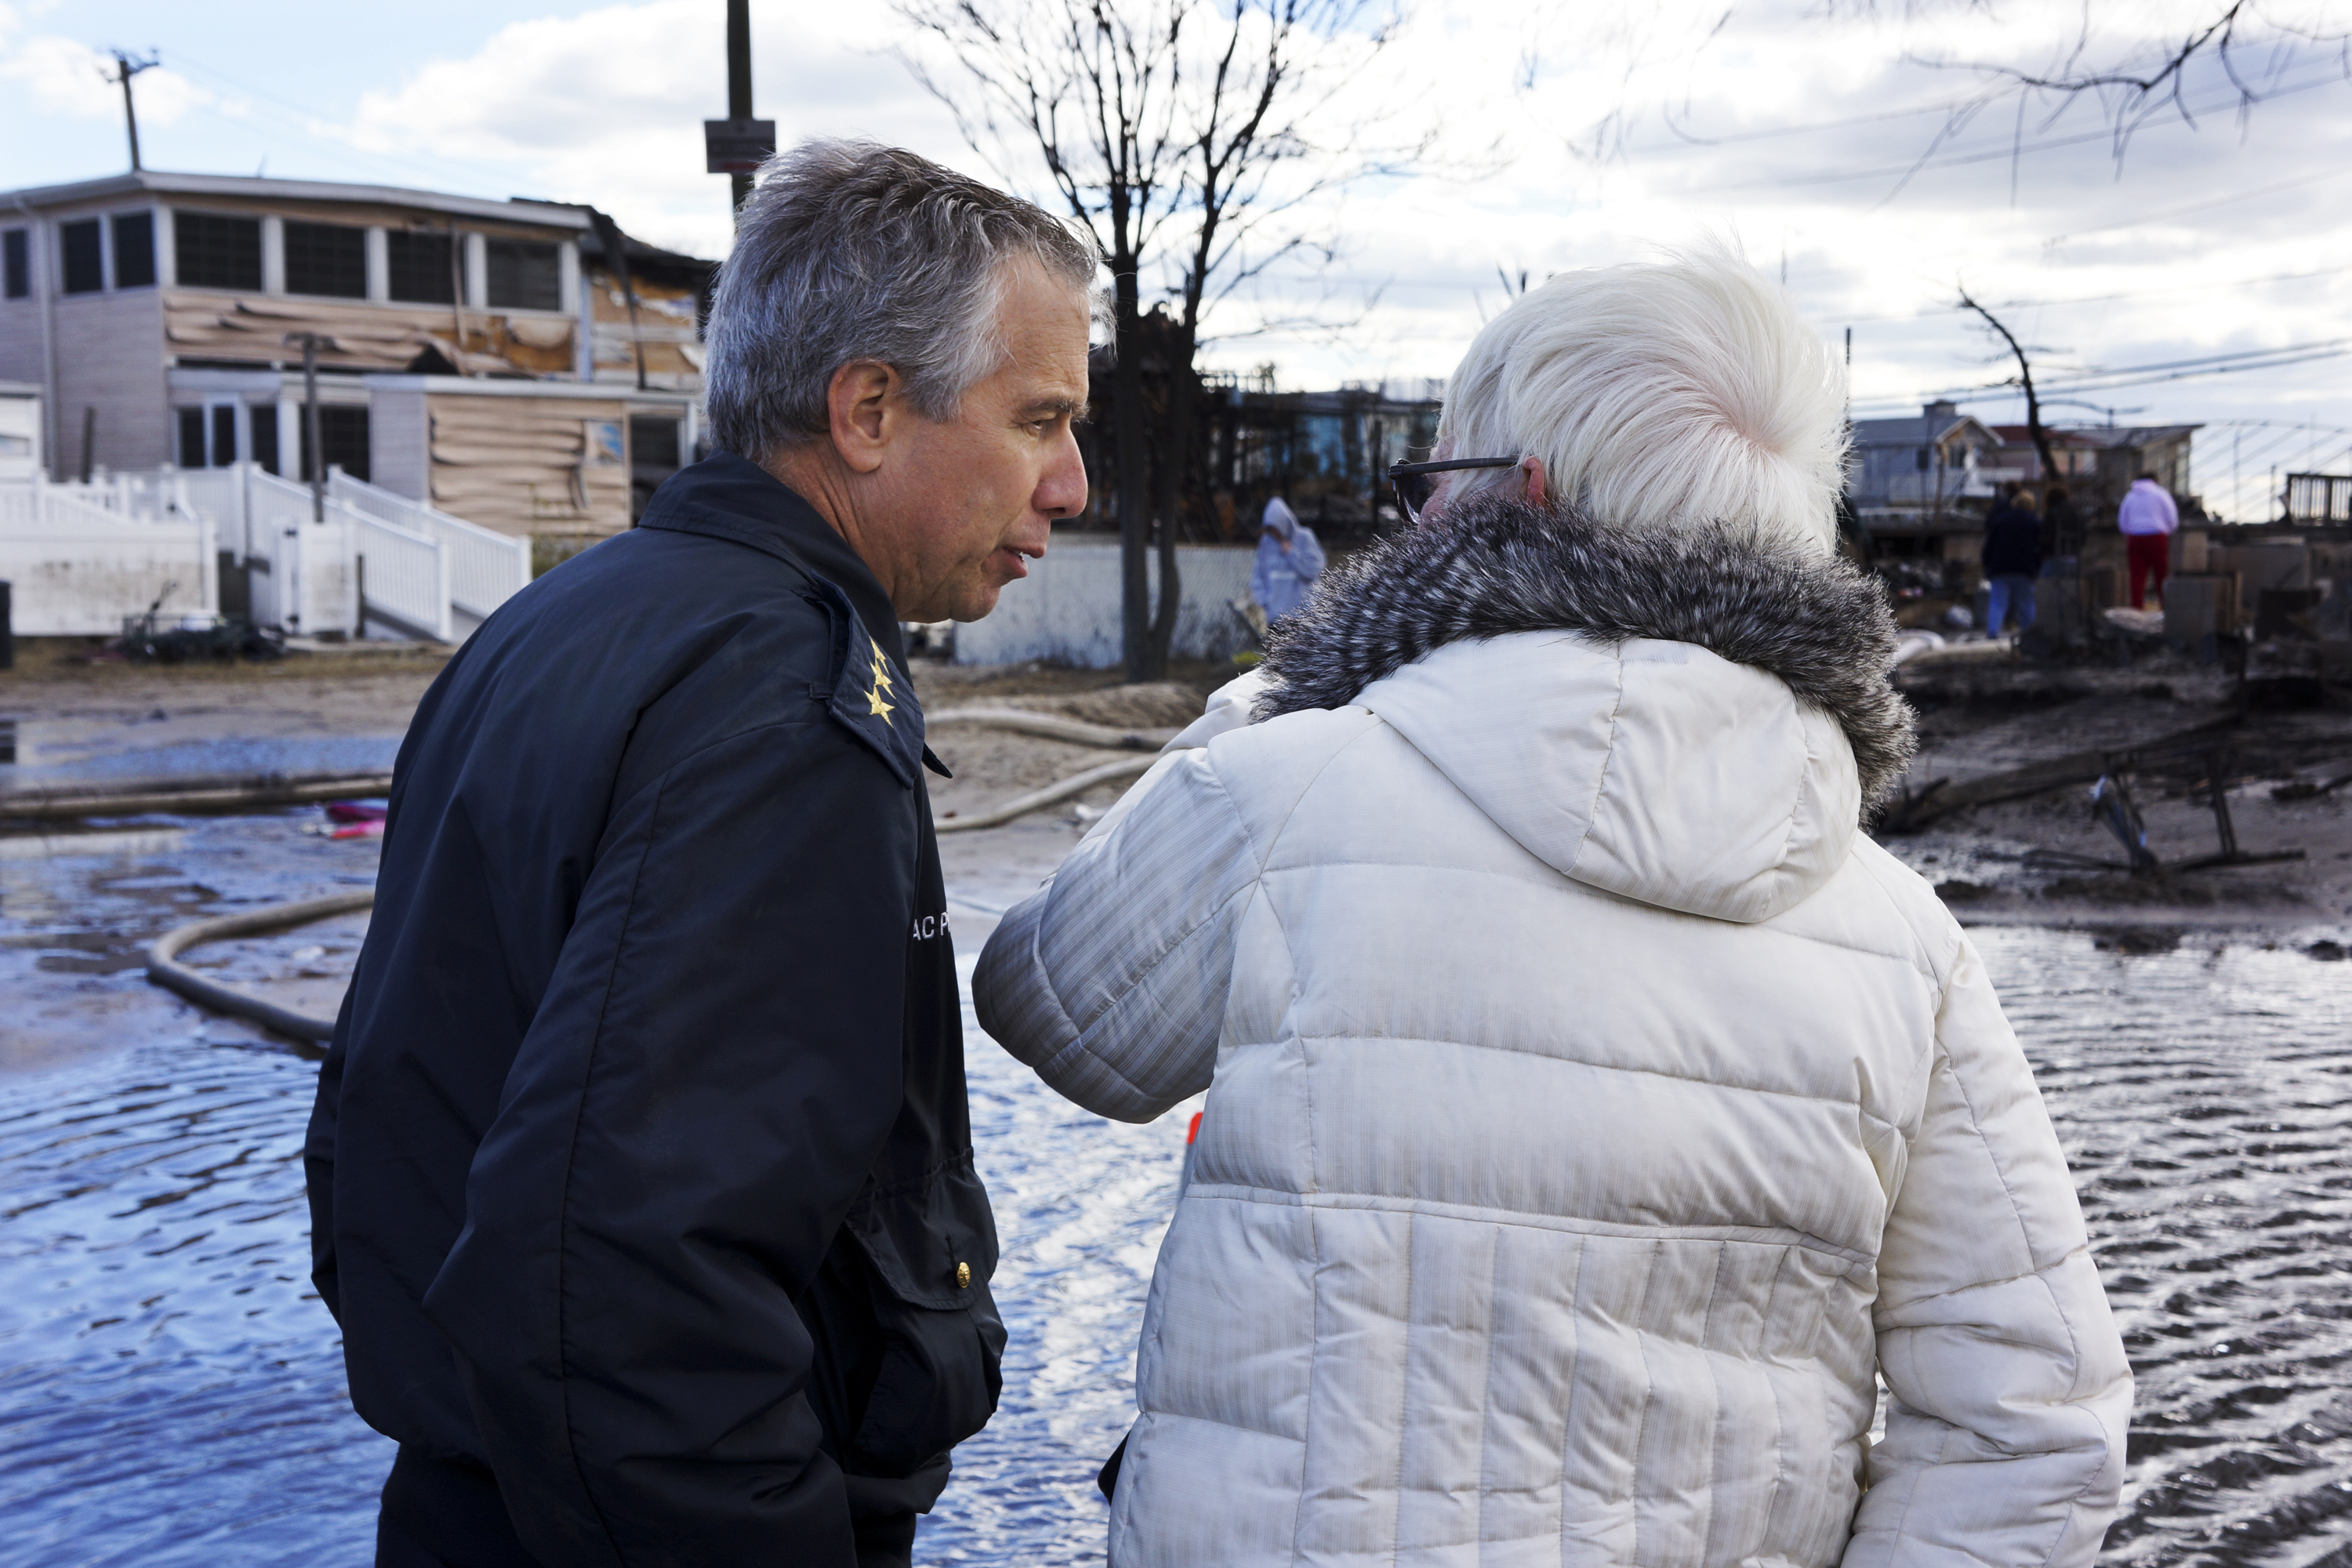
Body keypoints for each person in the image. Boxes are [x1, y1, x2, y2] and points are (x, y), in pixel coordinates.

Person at [974, 248, 2129, 1567]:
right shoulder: (1908, 941)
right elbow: (2034, 1425)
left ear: (1512, 502)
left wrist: (1272, 706)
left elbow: (1053, 1014)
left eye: (1428, 489)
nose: (1408, 527)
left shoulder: (1288, 786)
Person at [305, 140, 1094, 1568]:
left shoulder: (563, 625)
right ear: (866, 408)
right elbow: (634, 1271)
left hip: (474, 1498)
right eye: (1039, 420)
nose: (1073, 484)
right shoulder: (782, 703)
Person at [1249, 495, 1325, 621]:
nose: (1274, 534)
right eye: (1270, 529)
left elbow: (1314, 571)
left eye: (1276, 528)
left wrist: (1291, 553)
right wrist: (1265, 602)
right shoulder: (1266, 543)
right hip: (1276, 619)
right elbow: (1257, 576)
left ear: (1284, 523)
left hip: (1305, 618)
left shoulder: (1305, 538)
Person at [1983, 485, 2042, 634]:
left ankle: (1992, 633)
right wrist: (2037, 568)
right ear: (2031, 505)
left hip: (2000, 568)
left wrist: (1987, 565)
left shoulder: (2000, 521)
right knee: (2026, 604)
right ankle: (2029, 635)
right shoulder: (2035, 523)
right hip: (2025, 569)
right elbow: (2040, 548)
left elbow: (1989, 546)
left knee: (1997, 603)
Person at [2119, 470, 2180, 608]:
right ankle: (2165, 609)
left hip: (2135, 537)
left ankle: (2137, 609)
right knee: (2161, 574)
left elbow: (2122, 520)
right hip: (2157, 536)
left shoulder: (2130, 496)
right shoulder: (2161, 494)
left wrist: (2130, 532)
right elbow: (2172, 518)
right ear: (2155, 480)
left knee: (2137, 577)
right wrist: (2168, 531)